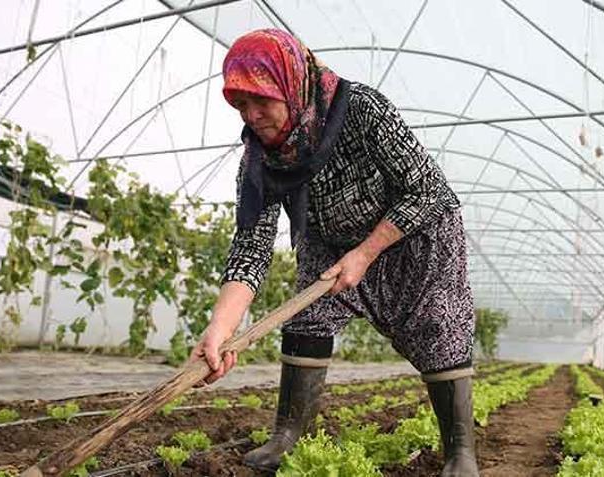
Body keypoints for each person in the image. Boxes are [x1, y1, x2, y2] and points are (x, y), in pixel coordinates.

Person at [189, 28, 478, 477]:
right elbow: (250, 246)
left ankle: (461, 452)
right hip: (329, 244)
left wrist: (366, 253)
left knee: (437, 327)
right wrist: (219, 330)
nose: (253, 115)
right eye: (241, 105)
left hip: (411, 236)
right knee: (307, 319)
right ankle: (288, 437)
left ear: (290, 84)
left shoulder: (361, 110)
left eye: (261, 100)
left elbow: (428, 189)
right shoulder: (260, 159)